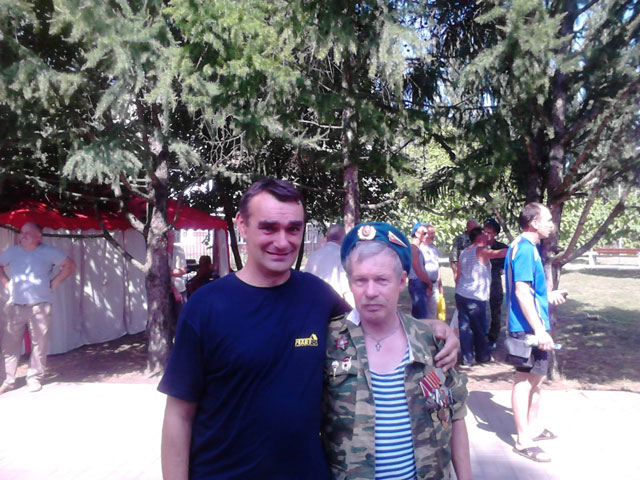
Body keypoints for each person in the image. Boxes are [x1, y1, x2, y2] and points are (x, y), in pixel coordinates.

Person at [158, 178, 460, 479]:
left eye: (293, 229)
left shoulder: (316, 295)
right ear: (242, 225)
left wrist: (430, 327)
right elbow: (178, 416)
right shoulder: (206, 307)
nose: (282, 241)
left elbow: (373, 323)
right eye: (269, 228)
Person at [323, 222, 471, 480]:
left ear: (402, 280)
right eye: (360, 280)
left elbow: (456, 414)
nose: (371, 292)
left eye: (382, 280)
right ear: (349, 282)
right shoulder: (329, 343)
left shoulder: (430, 341)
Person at [505, 203, 567, 463]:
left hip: (534, 325)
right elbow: (520, 292)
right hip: (527, 329)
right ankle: (523, 440)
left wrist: (546, 296)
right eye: (548, 219)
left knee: (537, 380)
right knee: (524, 382)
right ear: (534, 223)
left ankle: (533, 428)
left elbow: (528, 290)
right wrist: (540, 331)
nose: (552, 224)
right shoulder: (524, 249)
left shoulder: (528, 248)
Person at [0, 222, 76, 394]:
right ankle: (7, 380)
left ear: (39, 236)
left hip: (40, 306)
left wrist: (54, 283)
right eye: (21, 232)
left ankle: (34, 378)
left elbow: (70, 265)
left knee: (39, 345)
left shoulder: (49, 252)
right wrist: (6, 283)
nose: (23, 235)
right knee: (9, 345)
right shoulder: (12, 252)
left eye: (28, 232)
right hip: (15, 305)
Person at [455, 227, 507, 366]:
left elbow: (458, 274)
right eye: (484, 235)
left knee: (465, 327)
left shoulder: (464, 252)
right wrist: (516, 247)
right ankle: (482, 356)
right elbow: (499, 253)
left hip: (462, 293)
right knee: (479, 328)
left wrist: (456, 292)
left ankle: (467, 357)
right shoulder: (481, 251)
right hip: (475, 296)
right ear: (479, 238)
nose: (487, 237)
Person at [304, 224, 354, 307]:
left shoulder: (313, 256)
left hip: (312, 304)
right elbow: (347, 289)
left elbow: (305, 284)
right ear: (344, 239)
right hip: (334, 307)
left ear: (327, 238)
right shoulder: (343, 257)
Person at [483, 219, 508, 348]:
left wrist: (501, 270)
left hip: (494, 282)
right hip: (479, 284)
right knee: (479, 310)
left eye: (489, 232)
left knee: (495, 311)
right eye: (484, 231)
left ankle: (492, 338)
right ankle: (480, 336)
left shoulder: (502, 247)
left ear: (495, 234)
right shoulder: (477, 246)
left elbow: (508, 264)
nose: (486, 234)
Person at [408, 222, 434, 319]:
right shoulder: (413, 248)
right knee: (421, 316)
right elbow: (418, 270)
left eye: (427, 233)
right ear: (416, 233)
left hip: (417, 283)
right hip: (417, 283)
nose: (426, 236)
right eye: (424, 233)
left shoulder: (416, 248)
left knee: (418, 313)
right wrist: (429, 283)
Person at [420, 223, 443, 318]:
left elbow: (437, 267)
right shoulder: (419, 249)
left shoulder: (433, 249)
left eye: (433, 233)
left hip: (434, 284)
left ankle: (431, 328)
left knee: (433, 311)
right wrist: (427, 285)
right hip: (423, 285)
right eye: (430, 233)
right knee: (422, 313)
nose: (432, 235)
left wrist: (440, 285)